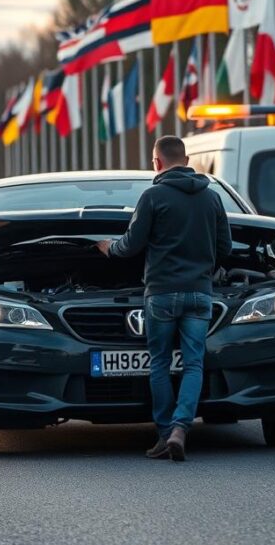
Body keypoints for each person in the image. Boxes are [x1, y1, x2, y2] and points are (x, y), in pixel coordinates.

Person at [95, 136, 231, 461]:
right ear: (185, 160)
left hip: (161, 295)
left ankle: (164, 433)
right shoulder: (212, 198)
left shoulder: (153, 196)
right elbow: (225, 248)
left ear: (157, 163)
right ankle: (181, 429)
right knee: (194, 363)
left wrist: (106, 248)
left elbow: (131, 245)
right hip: (200, 293)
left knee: (159, 363)